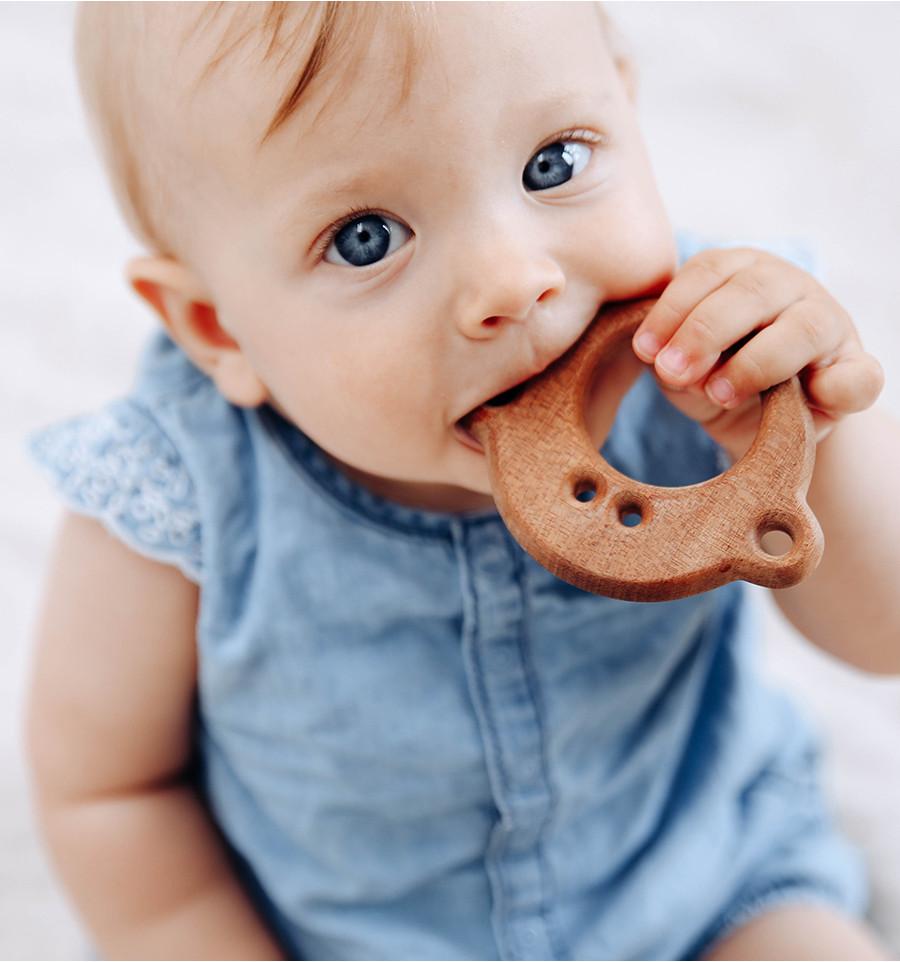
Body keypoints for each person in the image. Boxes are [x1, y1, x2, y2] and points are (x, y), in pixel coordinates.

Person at [24, 3, 896, 959]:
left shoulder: (718, 356)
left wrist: (810, 435)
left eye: (553, 162)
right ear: (219, 328)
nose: (513, 281)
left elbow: (884, 634)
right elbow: (110, 791)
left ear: (628, 104)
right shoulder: (175, 494)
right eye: (366, 237)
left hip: (708, 886)